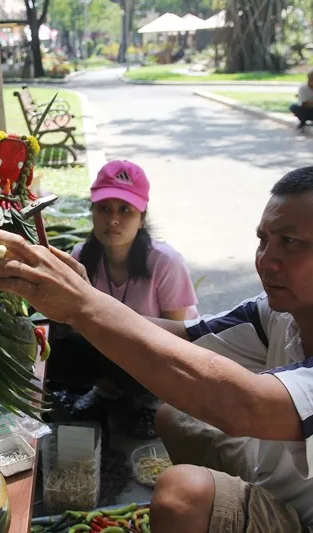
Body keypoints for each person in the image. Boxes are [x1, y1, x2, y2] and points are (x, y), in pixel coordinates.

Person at [0, 165, 313, 533]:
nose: (266, 260)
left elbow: (246, 407)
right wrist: (81, 302)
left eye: (290, 243)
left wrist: (87, 307)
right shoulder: (280, 313)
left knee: (181, 493)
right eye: (263, 240)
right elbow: (181, 336)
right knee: (174, 416)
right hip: (284, 488)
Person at [49, 160, 199, 437]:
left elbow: (177, 341)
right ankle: (107, 391)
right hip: (113, 354)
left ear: (142, 218)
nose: (113, 219)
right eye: (104, 208)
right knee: (54, 345)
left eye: (125, 210)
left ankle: (153, 404)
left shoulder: (166, 263)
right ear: (92, 212)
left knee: (118, 345)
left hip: (161, 359)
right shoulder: (82, 257)